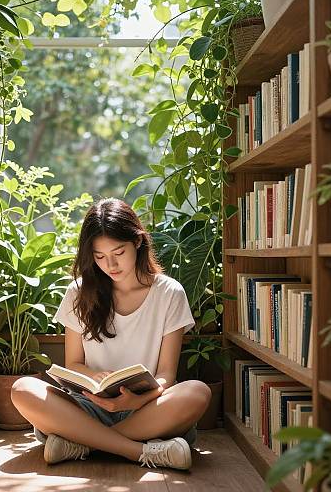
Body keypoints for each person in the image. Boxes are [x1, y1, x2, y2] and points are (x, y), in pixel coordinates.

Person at [11, 198, 211, 470]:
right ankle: (138, 451)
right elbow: (73, 365)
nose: (111, 264)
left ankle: (81, 443)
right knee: (22, 390)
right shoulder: (79, 293)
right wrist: (95, 378)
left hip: (146, 408)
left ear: (138, 242)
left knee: (197, 392)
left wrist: (138, 398)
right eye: (100, 256)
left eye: (119, 252)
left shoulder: (169, 293)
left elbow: (167, 374)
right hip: (89, 406)